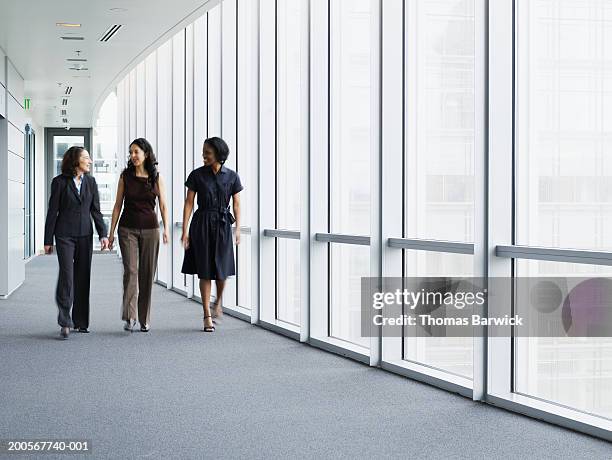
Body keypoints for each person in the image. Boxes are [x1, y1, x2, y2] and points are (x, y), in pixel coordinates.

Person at [44, 146, 109, 339]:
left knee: (83, 275)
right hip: (64, 235)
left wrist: (103, 235)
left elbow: (95, 211)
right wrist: (48, 239)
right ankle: (65, 320)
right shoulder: (59, 182)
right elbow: (52, 211)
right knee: (67, 275)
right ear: (75, 161)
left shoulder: (91, 182)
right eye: (86, 158)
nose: (89, 161)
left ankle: (80, 321)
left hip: (85, 235)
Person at [107, 138, 170, 332]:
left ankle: (144, 318)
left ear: (146, 154)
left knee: (146, 274)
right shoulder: (125, 176)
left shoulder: (156, 177)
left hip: (151, 230)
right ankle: (130, 316)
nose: (133, 156)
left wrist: (166, 229)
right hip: (127, 230)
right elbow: (117, 206)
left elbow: (163, 205)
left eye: (136, 152)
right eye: (131, 152)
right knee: (131, 272)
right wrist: (110, 234)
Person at [181, 137, 243, 332]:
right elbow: (189, 203)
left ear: (218, 154)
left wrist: (238, 228)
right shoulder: (197, 175)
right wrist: (185, 230)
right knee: (205, 270)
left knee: (222, 270)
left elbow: (237, 203)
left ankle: (218, 302)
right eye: (203, 152)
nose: (204, 156)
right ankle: (207, 314)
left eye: (207, 152)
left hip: (223, 224)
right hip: (201, 224)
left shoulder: (232, 176)